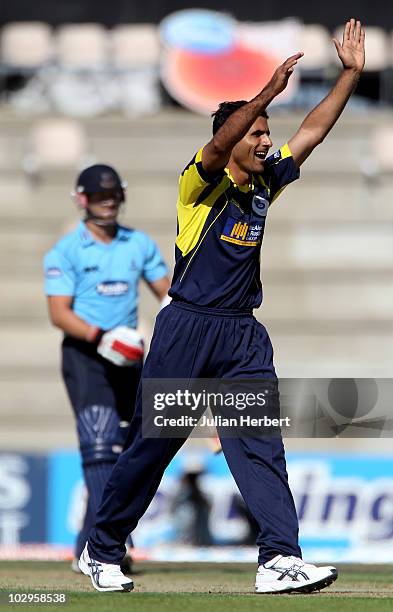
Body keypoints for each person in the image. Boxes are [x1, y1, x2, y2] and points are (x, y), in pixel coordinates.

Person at [79, 19, 365, 594]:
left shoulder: (265, 184)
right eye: (257, 132)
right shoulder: (200, 183)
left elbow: (310, 133)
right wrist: (263, 93)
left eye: (265, 132)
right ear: (231, 137)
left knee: (261, 447)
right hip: (187, 328)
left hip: (241, 337)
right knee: (153, 448)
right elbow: (217, 144)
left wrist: (350, 75)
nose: (265, 140)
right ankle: (102, 549)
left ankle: (278, 559)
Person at [43, 163, 170, 572]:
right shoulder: (65, 252)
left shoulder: (139, 244)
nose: (108, 201)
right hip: (86, 356)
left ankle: (88, 545)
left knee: (131, 450)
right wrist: (102, 337)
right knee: (99, 447)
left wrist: (170, 323)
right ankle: (108, 548)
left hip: (129, 358)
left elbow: (168, 294)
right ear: (82, 199)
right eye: (100, 195)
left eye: (114, 193)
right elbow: (60, 314)